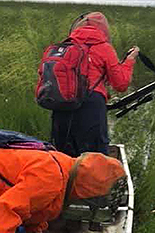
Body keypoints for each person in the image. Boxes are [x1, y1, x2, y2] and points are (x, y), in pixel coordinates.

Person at [50, 12, 139, 157]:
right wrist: (129, 60)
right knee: (96, 158)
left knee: (63, 156)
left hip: (62, 105)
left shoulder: (65, 46)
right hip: (91, 106)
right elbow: (121, 84)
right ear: (103, 29)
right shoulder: (104, 48)